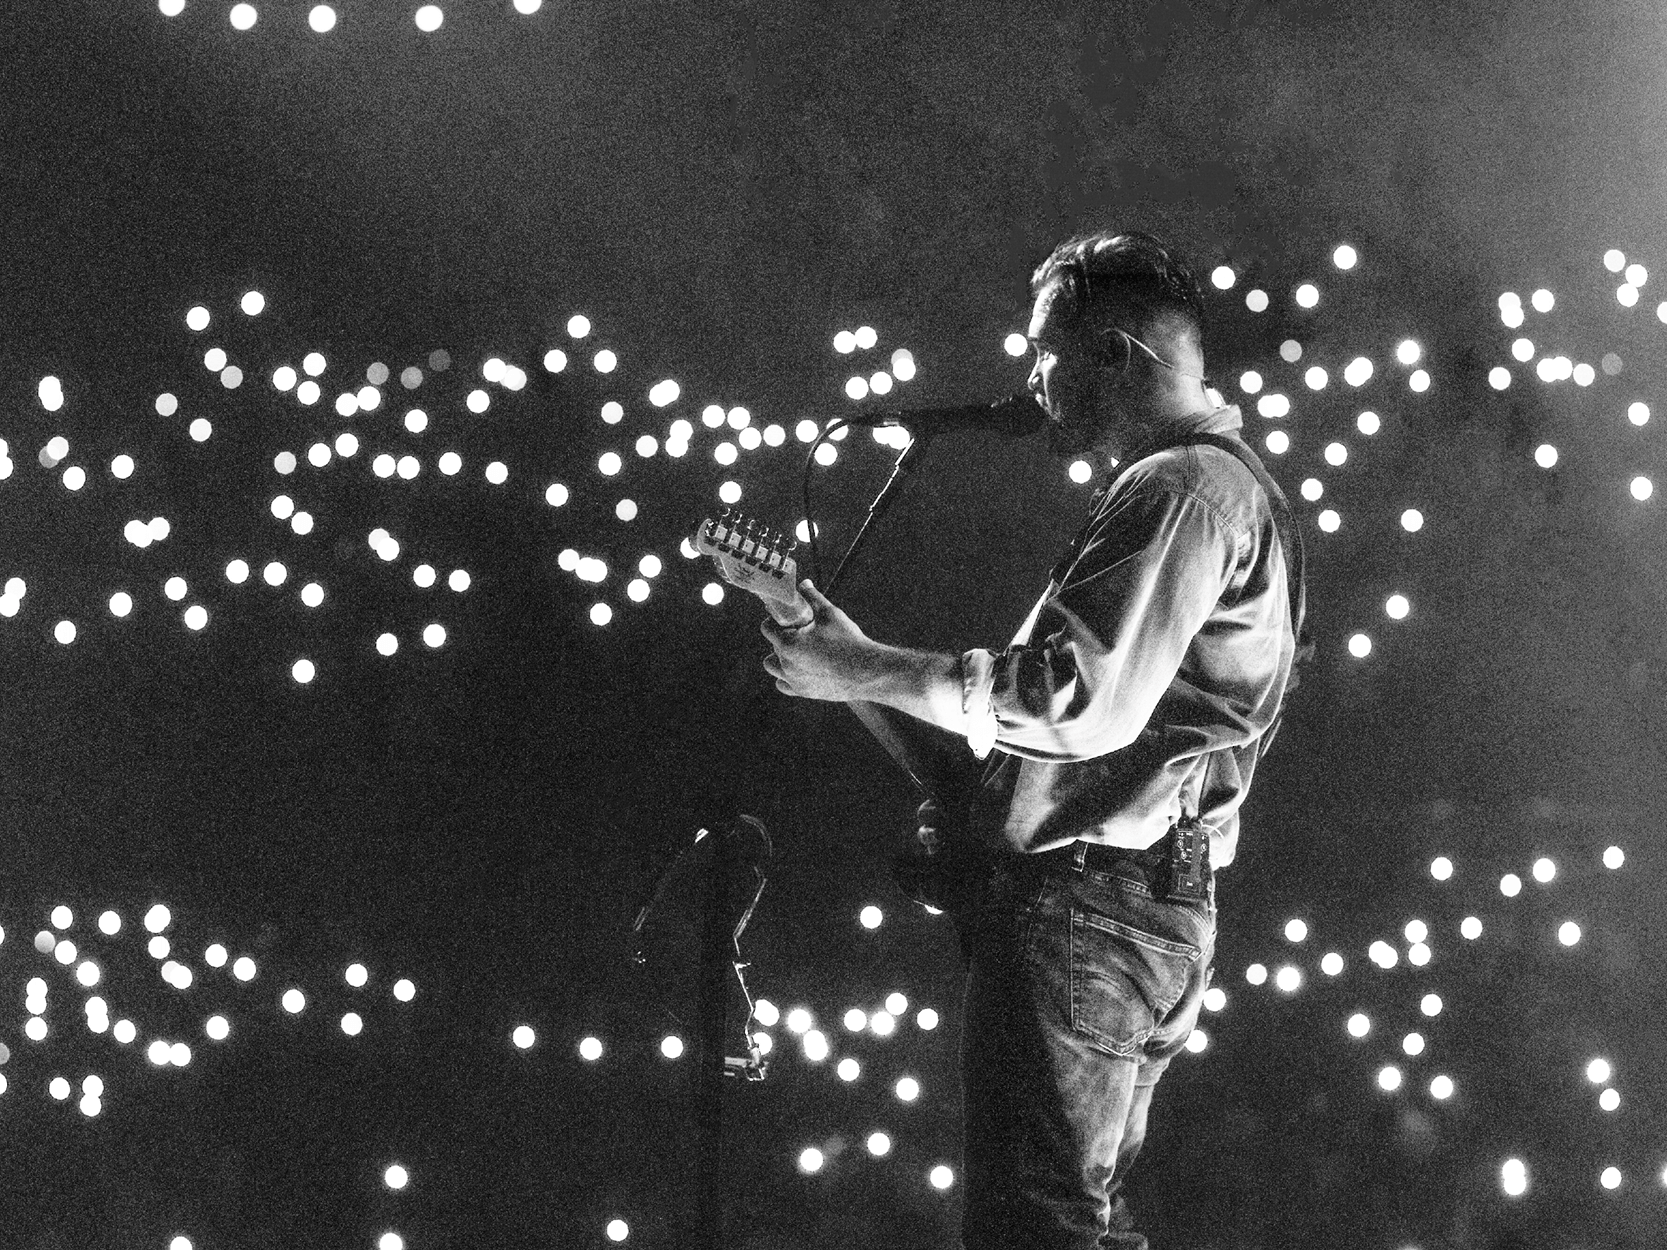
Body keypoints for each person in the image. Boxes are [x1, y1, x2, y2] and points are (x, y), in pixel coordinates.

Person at [761, 229, 1302, 1250]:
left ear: (1116, 356)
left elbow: (1072, 704)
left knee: (1035, 1228)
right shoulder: (1207, 491)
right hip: (1128, 904)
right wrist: (853, 665)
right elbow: (1034, 758)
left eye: (1045, 350)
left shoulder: (1178, 490)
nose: (1031, 379)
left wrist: (864, 669)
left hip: (1094, 909)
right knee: (1068, 1224)